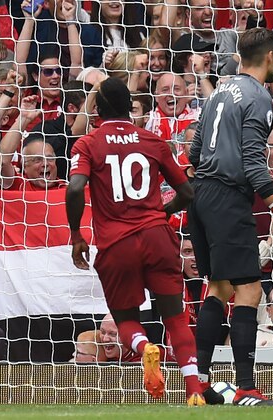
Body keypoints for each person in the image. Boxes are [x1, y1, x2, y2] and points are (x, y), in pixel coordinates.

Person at [187, 27, 273, 407]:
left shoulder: (217, 91)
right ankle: (246, 388)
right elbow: (252, 162)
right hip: (227, 198)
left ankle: (202, 385)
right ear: (271, 57)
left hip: (202, 196)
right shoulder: (259, 97)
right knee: (250, 290)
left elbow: (195, 151)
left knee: (219, 288)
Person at [65, 77, 205, 406]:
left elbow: (74, 189)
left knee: (126, 319)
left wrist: (75, 234)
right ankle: (194, 389)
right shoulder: (153, 140)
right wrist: (163, 210)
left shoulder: (88, 143)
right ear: (131, 108)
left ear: (97, 110)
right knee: (175, 318)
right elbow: (187, 191)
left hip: (117, 243)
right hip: (157, 237)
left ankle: (145, 349)